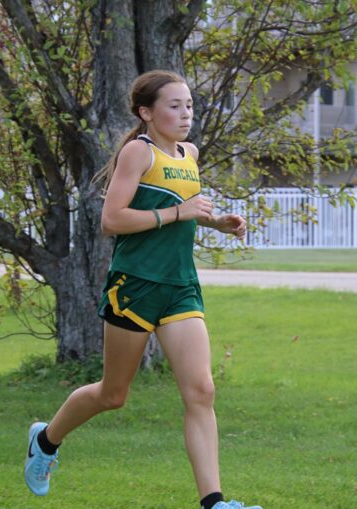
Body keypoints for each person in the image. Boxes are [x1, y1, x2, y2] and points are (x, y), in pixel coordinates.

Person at [23, 70, 262, 509]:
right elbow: (112, 220)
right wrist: (180, 212)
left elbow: (179, 206)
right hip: (135, 285)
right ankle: (46, 440)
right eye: (175, 106)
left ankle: (215, 503)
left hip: (180, 285)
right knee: (112, 395)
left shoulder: (189, 153)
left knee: (201, 391)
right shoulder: (138, 152)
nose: (186, 113)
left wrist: (215, 221)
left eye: (189, 104)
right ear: (146, 113)